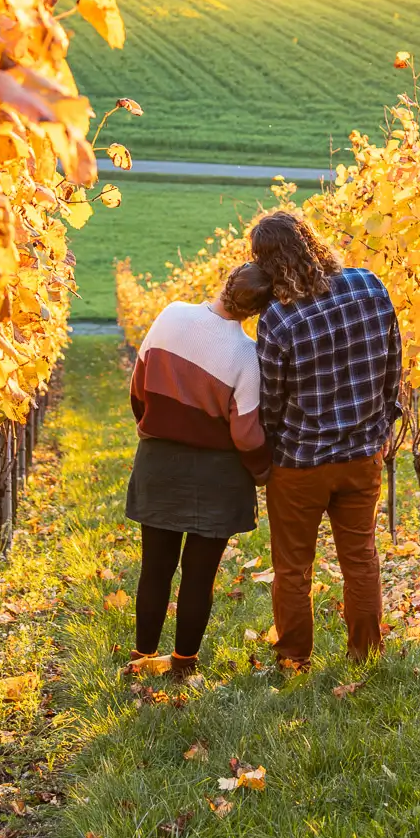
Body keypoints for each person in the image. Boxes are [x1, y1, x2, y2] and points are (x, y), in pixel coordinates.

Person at [251, 211, 401, 668]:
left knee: (293, 567)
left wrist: (268, 451)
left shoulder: (278, 319)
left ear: (267, 265)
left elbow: (270, 402)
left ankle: (295, 658)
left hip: (300, 464)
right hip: (361, 454)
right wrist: (382, 424)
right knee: (361, 558)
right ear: (313, 242)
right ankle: (365, 654)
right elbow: (394, 365)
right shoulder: (370, 287)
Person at [125, 262, 273, 679]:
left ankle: (141, 659)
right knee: (199, 574)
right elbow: (245, 433)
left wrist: (151, 427)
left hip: (160, 464)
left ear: (227, 281)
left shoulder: (171, 315)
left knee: (155, 566)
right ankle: (184, 665)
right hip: (218, 477)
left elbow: (138, 386)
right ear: (259, 311)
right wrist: (263, 471)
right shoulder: (246, 355)